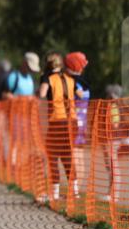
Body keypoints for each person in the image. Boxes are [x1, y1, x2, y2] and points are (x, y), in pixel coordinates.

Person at [37, 52, 76, 204]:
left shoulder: (47, 78)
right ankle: (75, 190)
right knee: (68, 156)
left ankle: (55, 192)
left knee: (52, 157)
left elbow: (42, 93)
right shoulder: (69, 78)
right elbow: (78, 93)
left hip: (57, 120)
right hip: (71, 120)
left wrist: (37, 94)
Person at [66, 51, 91, 198]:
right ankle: (77, 188)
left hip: (73, 121)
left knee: (74, 154)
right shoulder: (84, 81)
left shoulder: (71, 82)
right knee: (79, 153)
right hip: (83, 121)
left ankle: (74, 190)